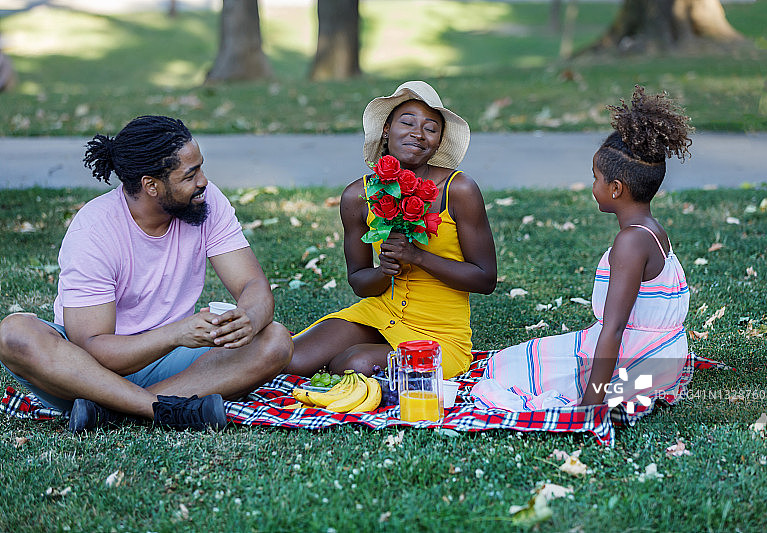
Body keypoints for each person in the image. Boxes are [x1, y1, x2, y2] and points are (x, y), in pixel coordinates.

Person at [0, 115, 292, 432]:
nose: (203, 181)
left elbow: (253, 284)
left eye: (201, 169)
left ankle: (111, 412)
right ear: (151, 185)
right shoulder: (94, 231)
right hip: (86, 373)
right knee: (14, 333)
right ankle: (157, 409)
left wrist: (248, 318)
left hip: (173, 367)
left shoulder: (206, 201)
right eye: (190, 175)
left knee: (275, 340)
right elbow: (92, 348)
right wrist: (176, 333)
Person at [471, 86, 693, 410]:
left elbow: (614, 330)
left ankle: (591, 393)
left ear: (616, 189)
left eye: (596, 178)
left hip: (638, 364)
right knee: (511, 361)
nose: (593, 186)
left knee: (501, 373)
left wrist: (591, 405)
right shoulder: (652, 230)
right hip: (662, 355)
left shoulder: (630, 242)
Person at [287, 81, 497, 379]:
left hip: (440, 333)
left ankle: (362, 355)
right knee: (292, 360)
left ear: (438, 142)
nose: (418, 133)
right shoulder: (356, 196)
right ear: (387, 129)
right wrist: (385, 271)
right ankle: (364, 349)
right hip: (378, 314)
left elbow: (485, 279)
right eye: (407, 122)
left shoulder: (459, 190)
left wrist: (418, 257)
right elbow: (360, 282)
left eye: (431, 128)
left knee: (354, 364)